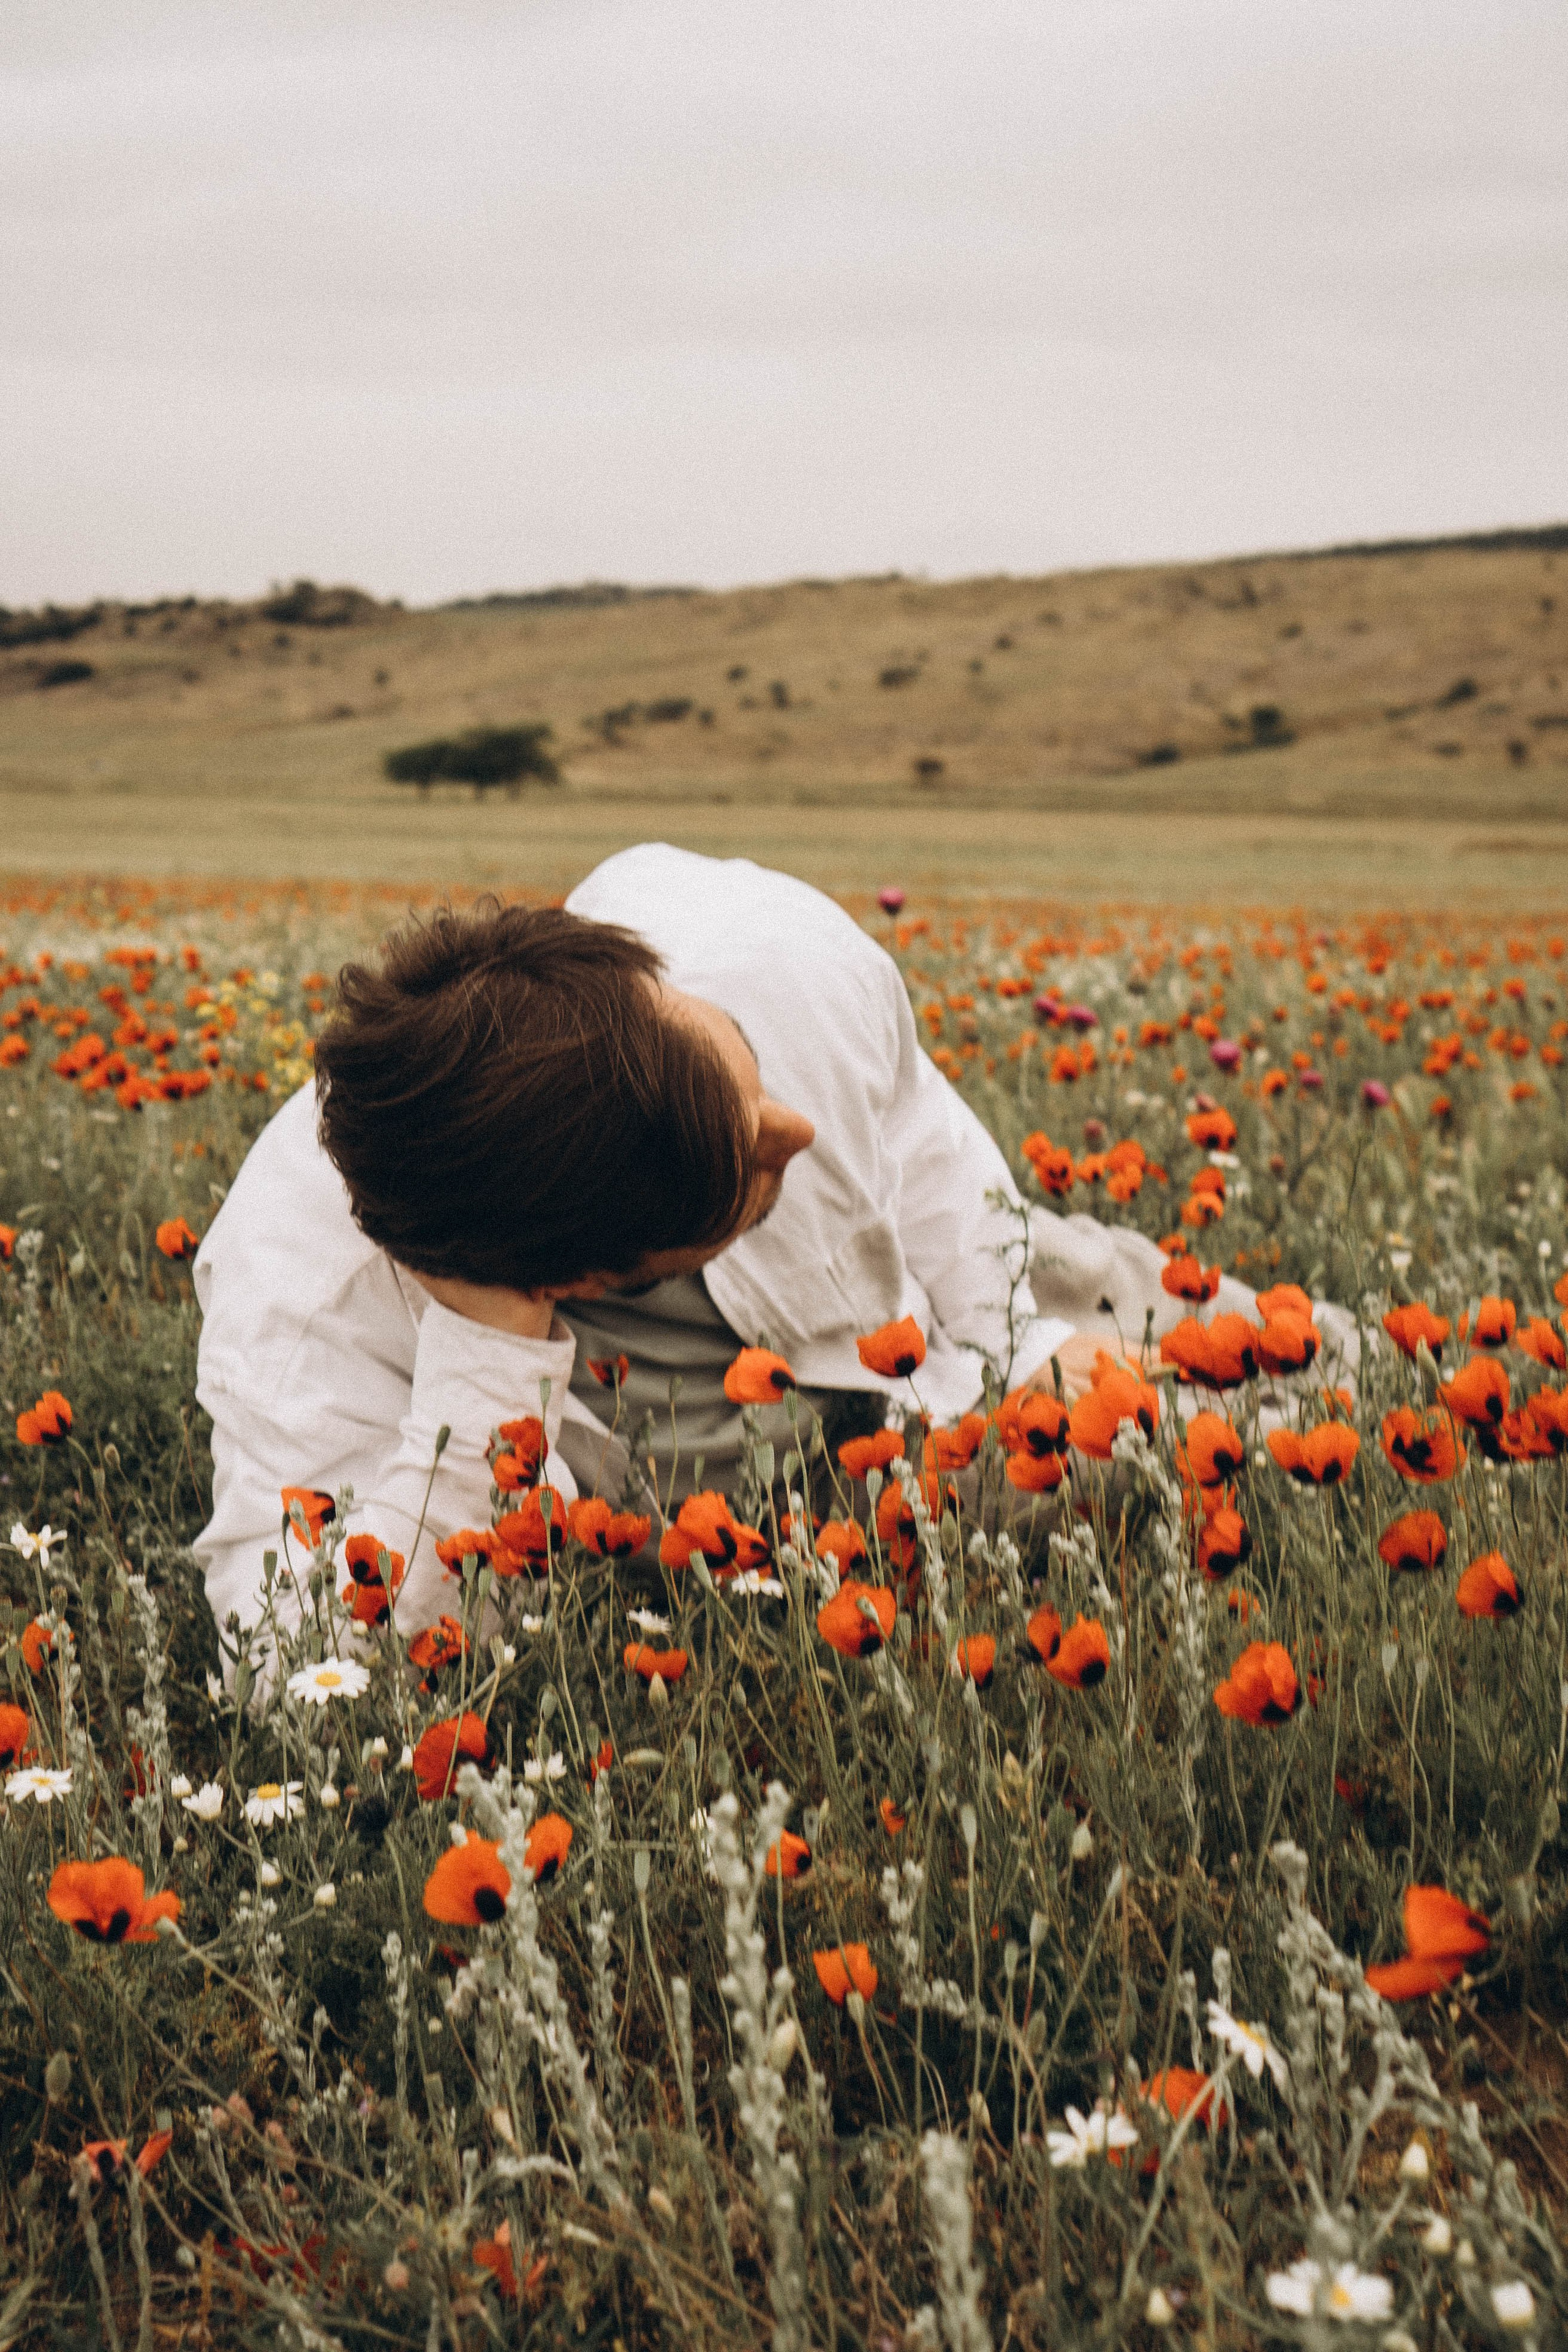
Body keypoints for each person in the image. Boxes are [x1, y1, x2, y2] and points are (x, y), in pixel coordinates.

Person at [192, 844, 1081, 1663]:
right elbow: (298, 1676)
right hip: (752, 1514)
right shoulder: (303, 1307)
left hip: (926, 1313)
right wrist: (490, 1359)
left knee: (1144, 1392)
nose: (795, 1131)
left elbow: (926, 1147)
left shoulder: (763, 949)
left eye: (753, 1080)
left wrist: (1020, 1345)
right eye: (754, 1174)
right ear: (580, 1281)